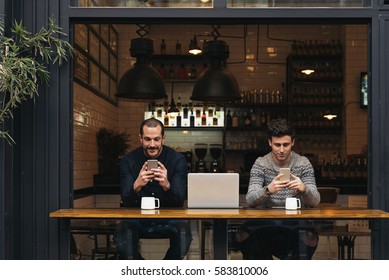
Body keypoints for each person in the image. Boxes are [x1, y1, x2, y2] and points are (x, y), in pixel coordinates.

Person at [239, 118, 321, 260]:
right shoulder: (261, 163)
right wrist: (268, 190)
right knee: (243, 234)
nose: (281, 150)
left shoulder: (303, 163)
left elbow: (315, 201)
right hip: (265, 222)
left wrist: (304, 188)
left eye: (286, 145)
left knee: (310, 236)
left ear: (293, 142)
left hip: (294, 222)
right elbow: (250, 199)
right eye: (277, 145)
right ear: (269, 142)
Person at [114, 117, 192, 260]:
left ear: (163, 138)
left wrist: (167, 185)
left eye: (156, 139)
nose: (152, 144)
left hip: (169, 220)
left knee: (184, 232)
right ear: (140, 139)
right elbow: (126, 199)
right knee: (122, 232)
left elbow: (179, 199)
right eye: (147, 139)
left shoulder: (177, 159)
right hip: (137, 219)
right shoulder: (128, 160)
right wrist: (137, 185)